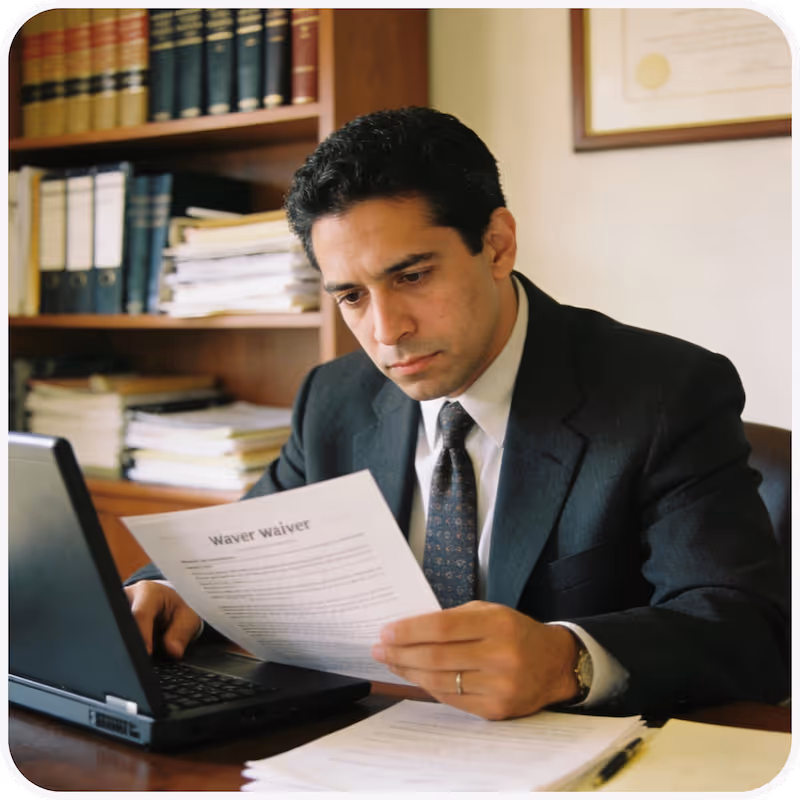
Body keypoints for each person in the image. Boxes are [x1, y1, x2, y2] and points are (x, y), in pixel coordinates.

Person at [125, 106, 789, 721]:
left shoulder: (665, 393)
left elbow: (741, 626)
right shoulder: (334, 398)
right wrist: (170, 587)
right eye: (352, 296)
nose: (386, 331)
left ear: (497, 245)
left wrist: (569, 660)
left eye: (412, 276)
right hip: (370, 747)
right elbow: (238, 550)